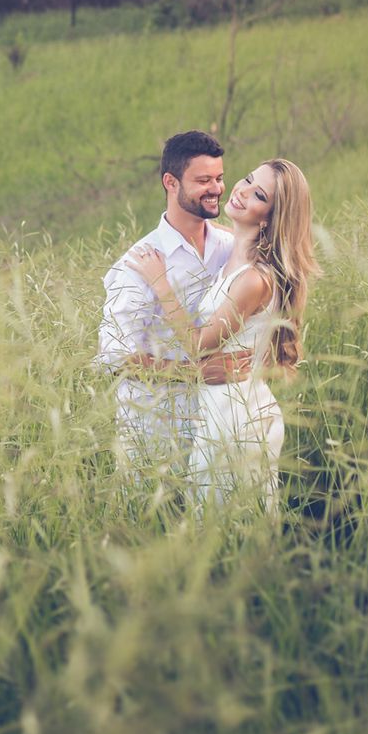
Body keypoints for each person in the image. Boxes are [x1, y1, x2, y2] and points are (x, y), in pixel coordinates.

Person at [123, 158, 320, 509]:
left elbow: (198, 345)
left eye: (259, 194)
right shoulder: (233, 252)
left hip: (235, 417)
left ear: (270, 218)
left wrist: (159, 282)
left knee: (226, 527)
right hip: (222, 408)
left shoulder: (253, 279)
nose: (241, 191)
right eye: (246, 179)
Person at [96, 130, 244, 468]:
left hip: (219, 425)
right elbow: (115, 357)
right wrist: (194, 373)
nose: (217, 189)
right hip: (155, 433)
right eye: (203, 180)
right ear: (170, 182)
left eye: (220, 178)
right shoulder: (138, 264)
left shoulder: (229, 246)